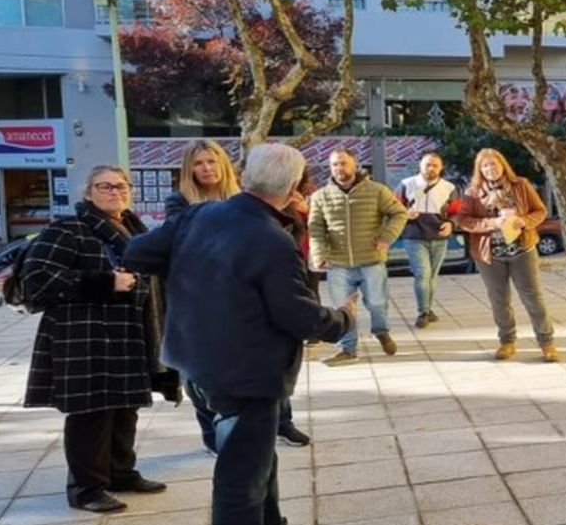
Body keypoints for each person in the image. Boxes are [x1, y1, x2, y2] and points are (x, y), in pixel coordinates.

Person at [125, 143, 352, 525]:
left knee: (258, 458)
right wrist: (344, 319)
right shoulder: (271, 239)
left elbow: (137, 251)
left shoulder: (200, 217)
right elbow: (301, 318)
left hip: (198, 360)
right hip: (244, 371)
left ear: (245, 176)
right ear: (291, 189)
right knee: (241, 471)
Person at [21, 166, 174, 514]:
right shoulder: (67, 229)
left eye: (121, 186)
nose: (114, 191)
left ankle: (121, 473)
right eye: (103, 186)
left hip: (125, 333)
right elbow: (38, 279)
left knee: (125, 407)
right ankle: (86, 488)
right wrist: (105, 282)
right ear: (88, 193)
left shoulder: (134, 229)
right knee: (91, 412)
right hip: (82, 335)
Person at [167, 140, 310, 449]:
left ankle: (282, 423)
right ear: (188, 169)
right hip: (203, 297)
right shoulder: (180, 203)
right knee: (200, 374)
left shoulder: (247, 199)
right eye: (199, 163)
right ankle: (212, 432)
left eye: (212, 162)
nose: (206, 168)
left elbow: (284, 242)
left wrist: (292, 214)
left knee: (267, 362)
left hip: (247, 294)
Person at [452, 148, 558, 361]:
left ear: (502, 165)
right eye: (485, 166)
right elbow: (463, 221)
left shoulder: (521, 185)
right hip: (490, 254)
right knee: (499, 299)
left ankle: (547, 343)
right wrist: (492, 223)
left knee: (533, 297)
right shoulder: (472, 192)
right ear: (479, 170)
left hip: (522, 250)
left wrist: (524, 221)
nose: (490, 169)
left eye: (494, 164)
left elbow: (540, 211)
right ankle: (507, 341)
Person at [307, 148, 407, 365]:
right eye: (334, 164)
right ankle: (348, 349)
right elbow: (315, 227)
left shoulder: (377, 190)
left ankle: (381, 331)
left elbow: (399, 213)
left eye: (343, 163)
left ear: (354, 164)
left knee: (378, 303)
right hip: (338, 263)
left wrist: (386, 237)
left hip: (371, 259)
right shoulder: (320, 196)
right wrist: (318, 253)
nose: (339, 168)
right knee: (343, 308)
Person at [395, 152, 457, 328]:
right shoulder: (406, 184)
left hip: (439, 235)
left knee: (432, 276)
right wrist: (404, 213)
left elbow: (457, 212)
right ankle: (423, 311)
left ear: (441, 167)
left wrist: (451, 224)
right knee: (422, 274)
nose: (431, 168)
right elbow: (392, 207)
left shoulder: (449, 187)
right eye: (427, 164)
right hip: (414, 235)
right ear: (420, 165)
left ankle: (428, 309)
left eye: (435, 165)